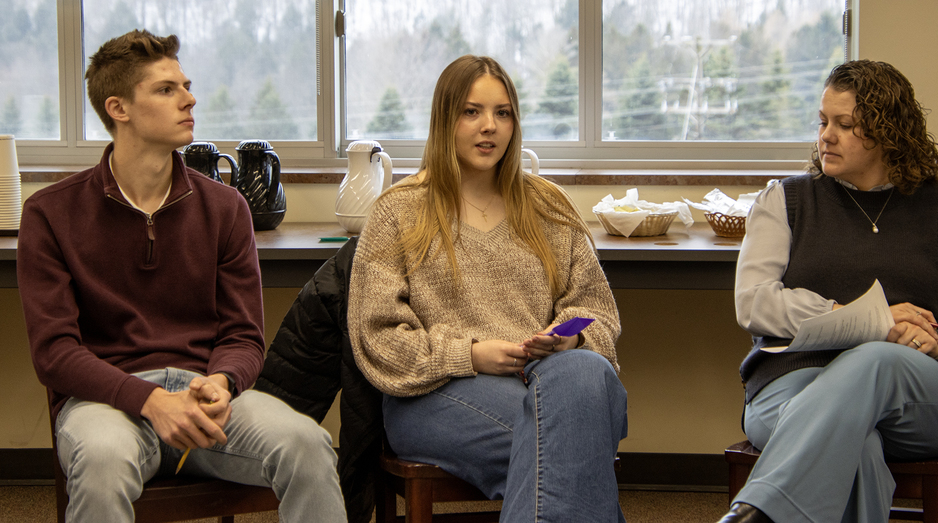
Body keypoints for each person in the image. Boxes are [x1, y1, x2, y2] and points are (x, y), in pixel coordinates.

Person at [18, 30, 346, 522]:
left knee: (308, 445)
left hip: (206, 398)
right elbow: (55, 354)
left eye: (186, 85)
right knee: (103, 462)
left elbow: (243, 336)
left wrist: (222, 382)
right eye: (166, 89)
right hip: (109, 403)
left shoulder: (226, 208)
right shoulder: (50, 213)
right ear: (119, 108)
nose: (190, 98)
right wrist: (149, 399)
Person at [717, 59, 938, 523]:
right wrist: (870, 319)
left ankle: (760, 510)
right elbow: (754, 302)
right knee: (858, 444)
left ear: (890, 133)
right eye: (822, 122)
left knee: (876, 358)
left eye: (845, 124)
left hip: (914, 399)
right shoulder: (784, 200)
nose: (825, 136)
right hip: (791, 384)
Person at [348, 55, 628, 522]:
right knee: (573, 441)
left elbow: (596, 309)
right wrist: (471, 354)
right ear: (445, 119)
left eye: (503, 113)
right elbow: (378, 340)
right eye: (471, 111)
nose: (489, 127)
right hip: (438, 393)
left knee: (583, 380)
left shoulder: (549, 206)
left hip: (548, 381)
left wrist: (570, 337)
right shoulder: (397, 212)